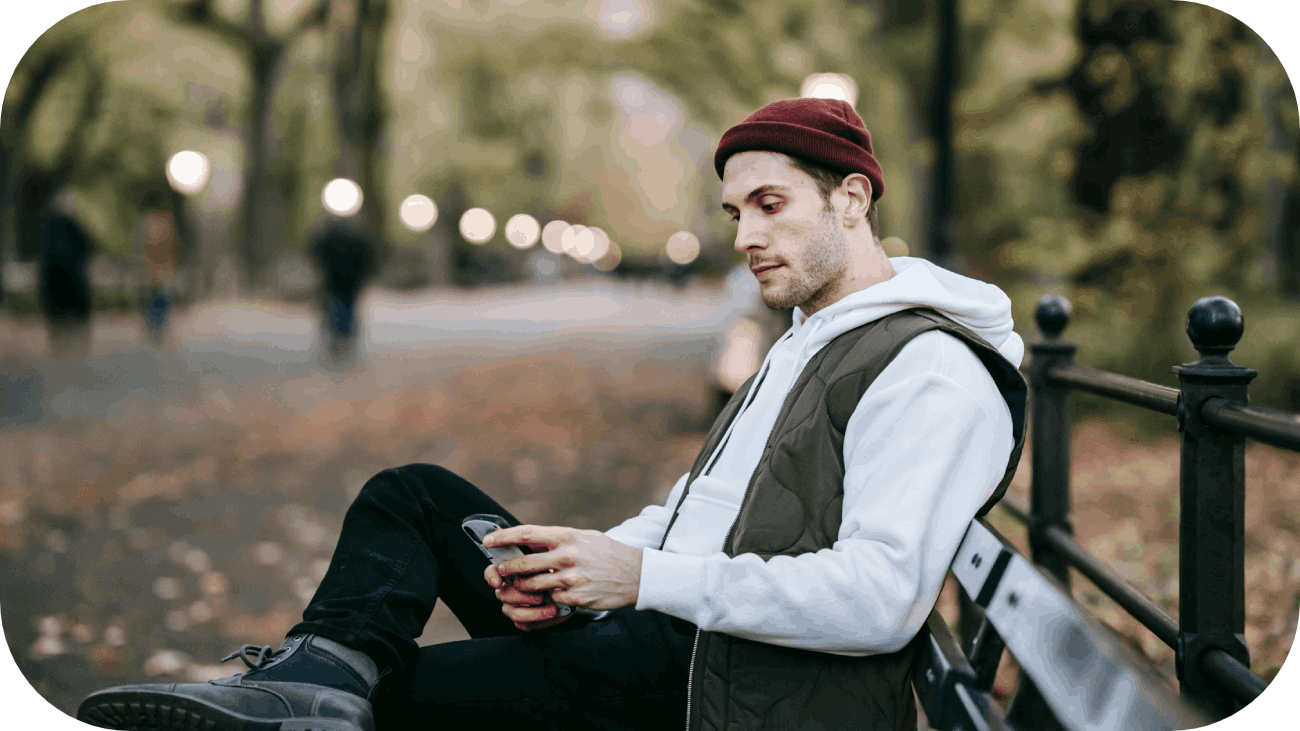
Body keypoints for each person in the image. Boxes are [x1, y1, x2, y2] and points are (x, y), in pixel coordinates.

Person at [76, 98, 1027, 731]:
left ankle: (323, 702)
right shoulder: (810, 336)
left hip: (720, 688)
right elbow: (702, 510)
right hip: (671, 632)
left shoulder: (929, 369)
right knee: (410, 496)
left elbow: (876, 599)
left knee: (405, 698)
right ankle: (320, 682)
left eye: (770, 205)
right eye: (736, 211)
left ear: (851, 199)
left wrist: (642, 577)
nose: (745, 236)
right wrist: (584, 561)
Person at [310, 213, 376, 365]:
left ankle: (341, 339)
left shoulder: (337, 238)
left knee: (341, 309)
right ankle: (341, 339)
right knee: (341, 309)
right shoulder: (354, 238)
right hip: (342, 282)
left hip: (341, 282)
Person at [39, 189, 94, 359]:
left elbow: (44, 255)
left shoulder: (49, 227)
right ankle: (77, 354)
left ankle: (61, 352)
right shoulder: (74, 227)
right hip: (73, 281)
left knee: (58, 321)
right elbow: (86, 249)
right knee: (78, 321)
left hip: (53, 282)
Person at [135, 190, 179, 346]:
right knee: (157, 300)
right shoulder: (166, 222)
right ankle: (156, 329)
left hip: (154, 269)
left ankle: (155, 329)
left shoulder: (149, 222)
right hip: (161, 269)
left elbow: (141, 245)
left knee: (155, 300)